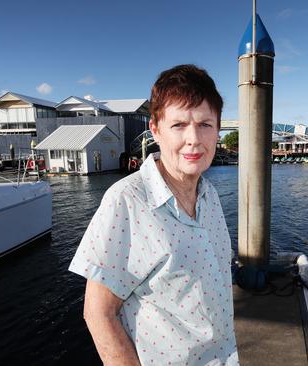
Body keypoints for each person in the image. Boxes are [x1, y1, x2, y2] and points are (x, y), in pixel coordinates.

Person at [69, 64, 239, 365]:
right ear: (155, 129)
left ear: (218, 130)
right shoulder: (128, 200)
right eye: (178, 125)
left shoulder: (209, 195)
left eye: (205, 124)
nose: (194, 139)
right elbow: (98, 313)